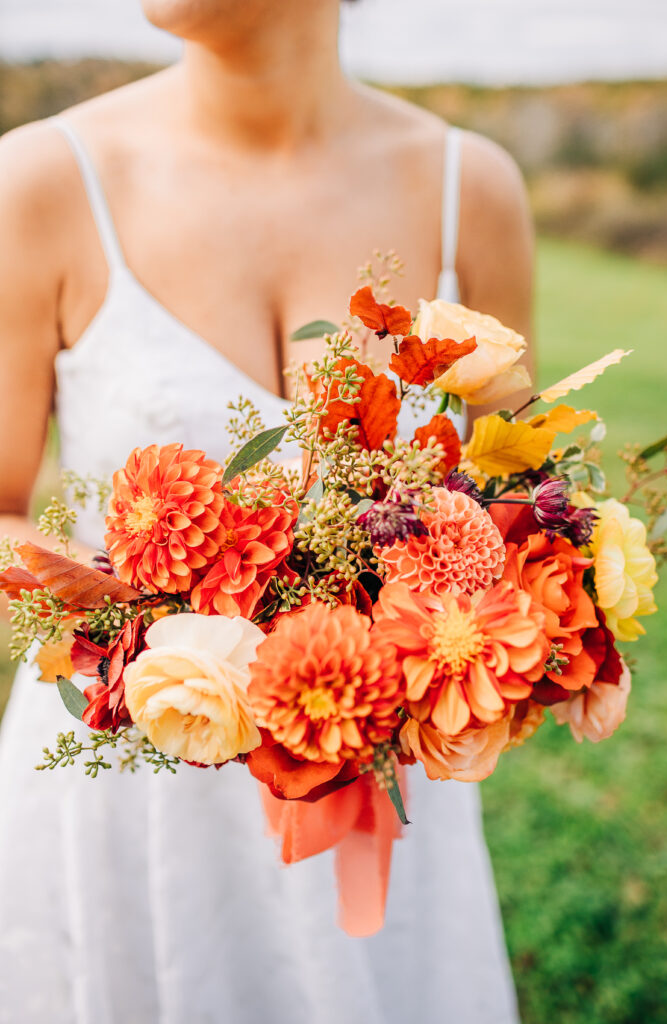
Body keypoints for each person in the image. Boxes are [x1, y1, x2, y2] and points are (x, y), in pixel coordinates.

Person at [0, 2, 534, 1021]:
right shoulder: (39, 180)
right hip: (135, 779)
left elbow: (509, 498)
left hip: (373, 783)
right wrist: (143, 628)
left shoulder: (471, 189)